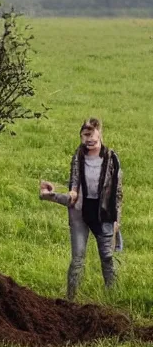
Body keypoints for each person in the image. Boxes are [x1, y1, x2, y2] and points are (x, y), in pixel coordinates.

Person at [54, 118, 122, 301]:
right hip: (82, 211)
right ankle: (71, 298)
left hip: (104, 212)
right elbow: (74, 182)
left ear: (99, 133)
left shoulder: (111, 158)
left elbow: (117, 191)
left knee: (107, 256)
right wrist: (65, 194)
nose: (88, 140)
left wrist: (117, 220)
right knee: (77, 259)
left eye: (91, 135)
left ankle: (111, 296)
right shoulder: (78, 156)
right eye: (84, 136)